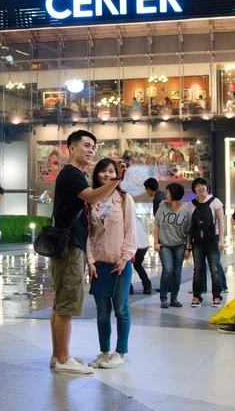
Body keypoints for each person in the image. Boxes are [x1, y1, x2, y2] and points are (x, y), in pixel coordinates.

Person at [50, 130, 127, 375]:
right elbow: (93, 197)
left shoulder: (74, 174)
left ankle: (58, 356)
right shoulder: (72, 174)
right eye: (86, 145)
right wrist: (117, 180)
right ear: (71, 148)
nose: (91, 150)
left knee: (60, 302)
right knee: (67, 304)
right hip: (71, 245)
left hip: (67, 245)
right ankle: (63, 359)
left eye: (94, 146)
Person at [87, 158, 137, 369]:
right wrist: (90, 261)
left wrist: (125, 258)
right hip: (99, 264)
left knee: (121, 309)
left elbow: (130, 231)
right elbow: (88, 235)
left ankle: (120, 353)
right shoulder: (90, 199)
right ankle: (104, 352)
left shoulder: (125, 199)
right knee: (101, 311)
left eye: (111, 171)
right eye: (103, 172)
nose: (107, 175)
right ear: (97, 175)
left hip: (120, 264)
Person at [187, 178, 224, 308]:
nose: (200, 188)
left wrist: (221, 240)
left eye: (203, 185)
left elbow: (221, 221)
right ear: (194, 190)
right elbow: (189, 226)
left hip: (212, 240)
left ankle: (217, 296)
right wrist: (165, 202)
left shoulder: (215, 202)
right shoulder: (190, 205)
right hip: (197, 241)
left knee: (215, 269)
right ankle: (196, 297)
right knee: (198, 270)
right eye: (197, 186)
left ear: (207, 187)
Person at [154, 183, 192, 308]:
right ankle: (163, 298)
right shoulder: (162, 207)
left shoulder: (187, 210)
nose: (166, 195)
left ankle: (174, 298)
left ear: (174, 194)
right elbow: (156, 225)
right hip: (164, 245)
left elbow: (189, 231)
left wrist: (188, 247)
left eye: (168, 193)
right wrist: (155, 242)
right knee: (167, 270)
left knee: (177, 272)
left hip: (180, 245)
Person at [130, 215, 152, 294]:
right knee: (138, 265)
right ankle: (147, 285)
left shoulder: (124, 217)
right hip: (143, 245)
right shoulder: (136, 218)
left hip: (133, 245)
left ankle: (129, 287)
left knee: (126, 266)